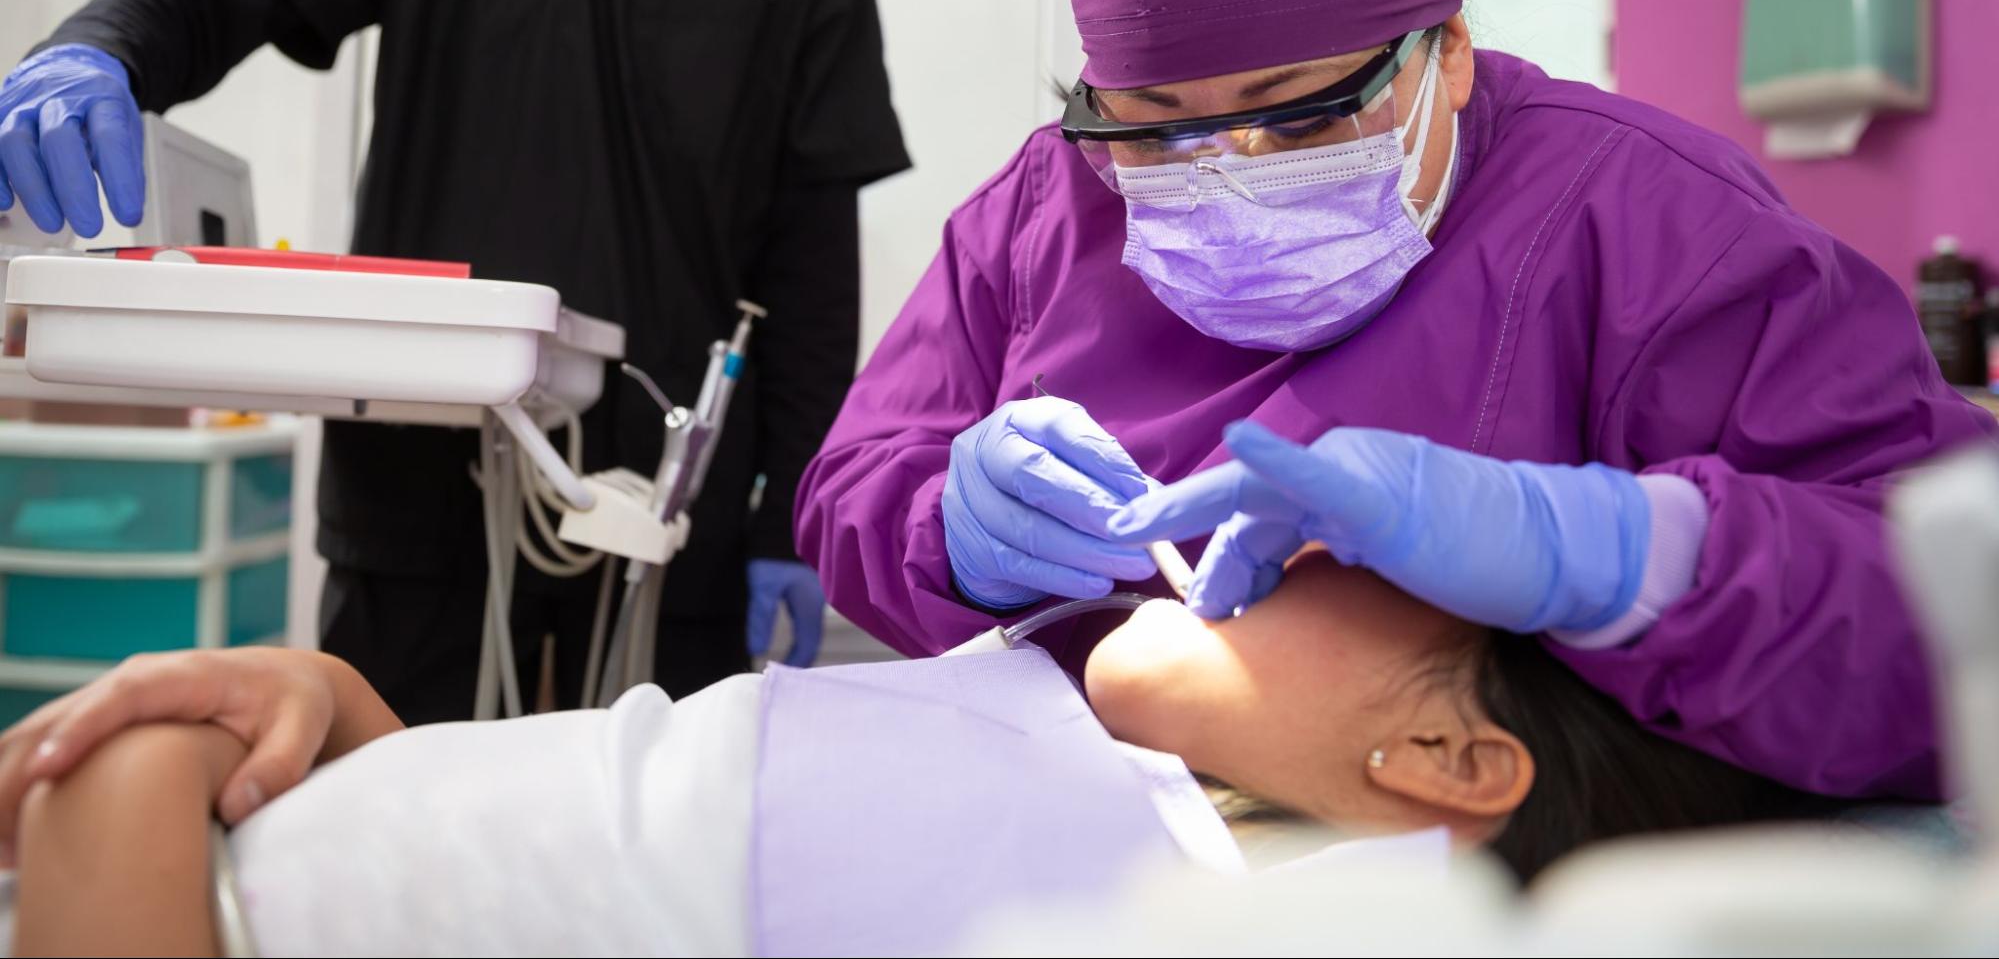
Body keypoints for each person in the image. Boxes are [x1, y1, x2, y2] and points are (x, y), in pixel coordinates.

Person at [794, 0, 1997, 802]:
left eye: (1300, 115)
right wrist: (941, 530)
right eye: (1152, 124)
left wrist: (1628, 553)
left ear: (1448, 55)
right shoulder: (1046, 200)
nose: (1224, 170)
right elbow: (854, 483)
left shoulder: (1648, 224)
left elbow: (1953, 614)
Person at [0, 0, 909, 716]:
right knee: (388, 835)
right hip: (418, 512)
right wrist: (98, 46)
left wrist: (788, 524)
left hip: (668, 529)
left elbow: (811, 288)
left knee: (636, 862)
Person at [0, 552, 1807, 955]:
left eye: (1331, 559)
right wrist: (336, 707)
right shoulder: (1112, 765)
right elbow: (574, 837)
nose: (1252, 527)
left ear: (1444, 751)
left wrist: (145, 776)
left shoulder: (1163, 905)